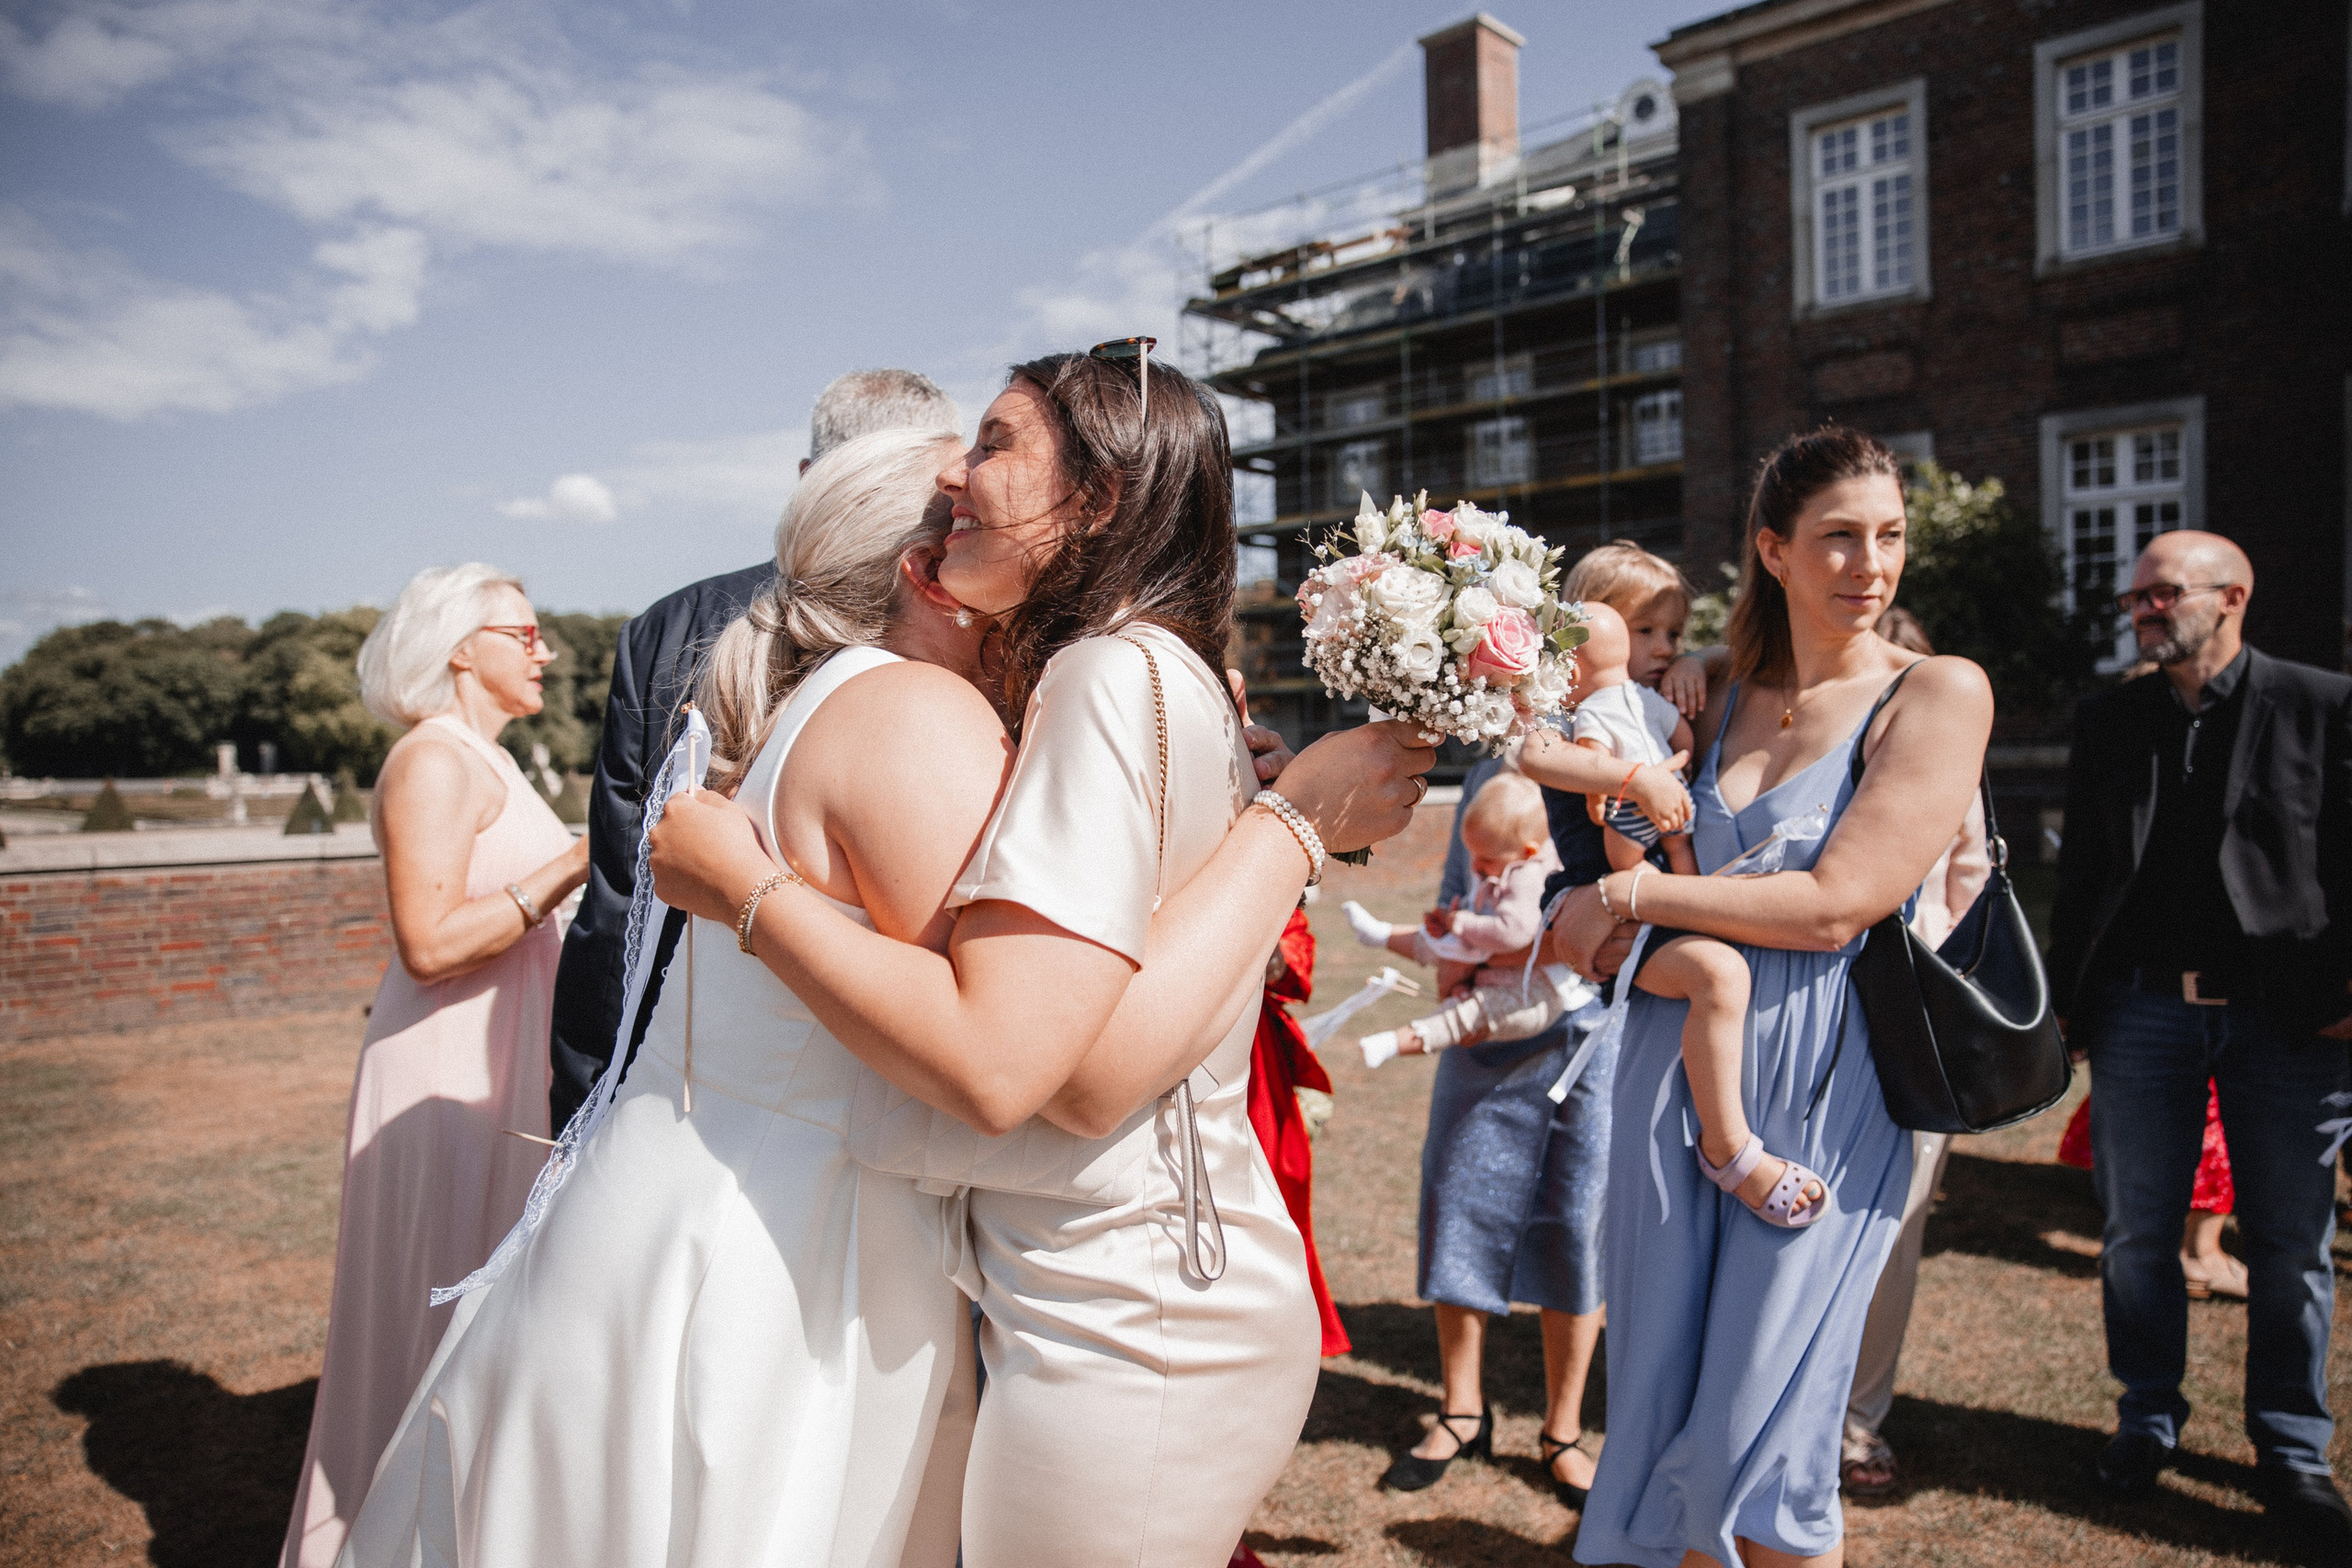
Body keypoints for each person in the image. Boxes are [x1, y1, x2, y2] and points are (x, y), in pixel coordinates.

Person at [1546, 427, 1994, 1568]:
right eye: (1838, 536)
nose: (1869, 563)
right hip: (1668, 1077)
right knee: (1656, 1403)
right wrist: (1589, 901)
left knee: (1768, 1438)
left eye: (1888, 536)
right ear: (1773, 551)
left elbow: (1839, 905)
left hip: (1825, 1089)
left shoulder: (1934, 692)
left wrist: (1631, 898)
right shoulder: (1712, 697)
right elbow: (1577, 822)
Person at [548, 367, 962, 1131]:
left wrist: (590, 1099)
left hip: (678, 1080)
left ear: (809, 482)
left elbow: (617, 903)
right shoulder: (948, 664)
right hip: (874, 1095)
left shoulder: (666, 626)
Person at [1374, 540, 1697, 1506]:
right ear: (1585, 630)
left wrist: (1689, 686)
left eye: (1674, 633)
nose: (1660, 648)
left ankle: (1563, 1425)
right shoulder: (1519, 747)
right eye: (1645, 630)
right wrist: (1459, 974)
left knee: (1580, 1213)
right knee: (1464, 1194)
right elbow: (1457, 885)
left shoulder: (1657, 734)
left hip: (1599, 1025)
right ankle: (1461, 1405)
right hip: (1495, 1022)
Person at [2048, 528, 2352, 1547]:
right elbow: (2082, 878)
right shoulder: (2111, 719)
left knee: (2290, 1242)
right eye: (2134, 596)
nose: (2140, 609)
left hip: (2289, 1019)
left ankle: (2291, 1449)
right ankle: (2147, 1417)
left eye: (2160, 594)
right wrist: (2071, 1009)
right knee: (2138, 1233)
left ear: (2231, 598)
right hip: (2142, 1013)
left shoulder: (2320, 703)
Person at [282, 565, 591, 1568]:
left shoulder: (488, 761)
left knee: (495, 1318)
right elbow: (429, 941)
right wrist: (578, 862)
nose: (544, 652)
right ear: (464, 647)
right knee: (438, 1310)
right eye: (527, 633)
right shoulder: (434, 762)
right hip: (445, 1063)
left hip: (504, 1057)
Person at [1837, 602, 1987, 1495]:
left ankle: (1858, 1421)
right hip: (1801, 1012)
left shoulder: (1947, 756)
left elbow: (1968, 889)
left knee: (1893, 1229)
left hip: (1912, 1020)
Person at [1345, 771, 1569, 1063]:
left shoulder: (1530, 875)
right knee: (1434, 942)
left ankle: (1397, 1041)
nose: (1475, 865)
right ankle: (1380, 934)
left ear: (1528, 852)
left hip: (1530, 990)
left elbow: (1514, 931)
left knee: (1466, 1014)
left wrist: (1461, 923)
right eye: (1472, 854)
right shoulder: (1508, 860)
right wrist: (1454, 916)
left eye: (1486, 859)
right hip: (1490, 961)